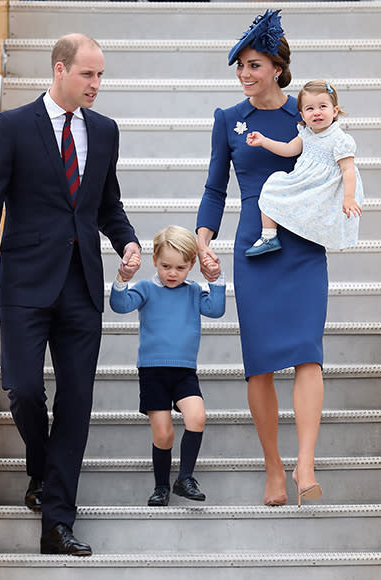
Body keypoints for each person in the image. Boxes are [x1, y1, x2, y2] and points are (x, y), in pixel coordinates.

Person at [0, 34, 141, 555]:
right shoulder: (14, 126)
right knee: (22, 389)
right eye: (88, 74)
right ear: (59, 70)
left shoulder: (105, 132)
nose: (97, 84)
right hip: (23, 283)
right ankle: (41, 469)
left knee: (77, 401)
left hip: (82, 284)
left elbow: (107, 202)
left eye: (101, 75)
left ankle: (57, 522)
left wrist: (127, 240)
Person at [196, 10, 327, 507]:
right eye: (240, 68)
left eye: (254, 66)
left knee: (308, 353)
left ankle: (305, 463)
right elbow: (215, 187)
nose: (245, 75)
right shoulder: (229, 120)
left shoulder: (308, 112)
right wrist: (204, 238)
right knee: (261, 366)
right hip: (255, 243)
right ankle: (274, 466)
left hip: (303, 242)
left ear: (276, 67)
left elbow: (337, 160)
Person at [110, 226, 225, 506]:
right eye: (165, 266)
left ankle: (185, 477)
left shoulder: (194, 290)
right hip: (153, 372)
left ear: (191, 265)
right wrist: (122, 279)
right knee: (163, 433)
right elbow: (119, 305)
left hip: (184, 371)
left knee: (196, 416)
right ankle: (161, 486)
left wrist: (217, 279)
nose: (172, 273)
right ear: (155, 261)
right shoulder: (147, 289)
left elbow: (216, 309)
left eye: (180, 267)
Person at [245, 80, 363, 257]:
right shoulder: (306, 133)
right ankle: (269, 236)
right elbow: (288, 149)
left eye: (323, 106)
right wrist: (264, 141)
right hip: (305, 181)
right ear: (302, 114)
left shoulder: (340, 139)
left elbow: (348, 170)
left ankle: (307, 234)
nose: (316, 112)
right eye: (310, 109)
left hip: (326, 189)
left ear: (335, 111)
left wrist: (349, 197)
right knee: (273, 185)